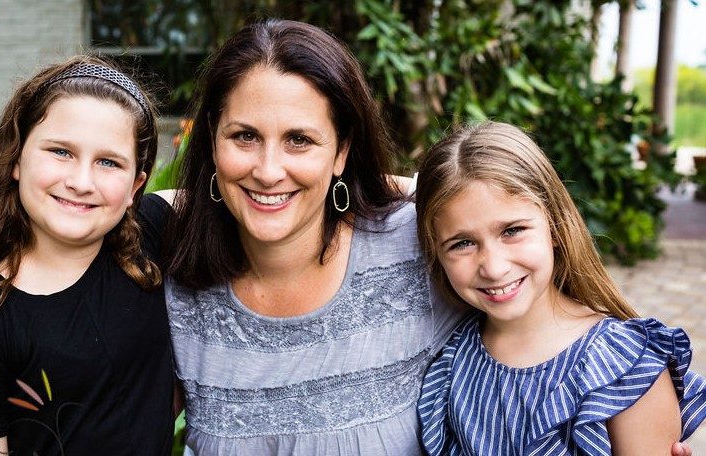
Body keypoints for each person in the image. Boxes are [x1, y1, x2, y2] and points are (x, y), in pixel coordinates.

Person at [157, 19, 465, 454]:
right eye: (245, 136)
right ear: (211, 140)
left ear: (341, 150)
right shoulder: (174, 275)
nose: (267, 171)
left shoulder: (415, 247)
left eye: (299, 140)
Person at [0, 56, 175, 455]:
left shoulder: (153, 234)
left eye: (108, 162)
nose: (80, 182)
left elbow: (240, 193)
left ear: (135, 186)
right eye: (60, 151)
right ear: (17, 160)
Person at [415, 121, 706, 455]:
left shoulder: (624, 368)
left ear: (554, 225)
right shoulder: (452, 360)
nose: (494, 267)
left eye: (512, 230)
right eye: (462, 243)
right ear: (435, 252)